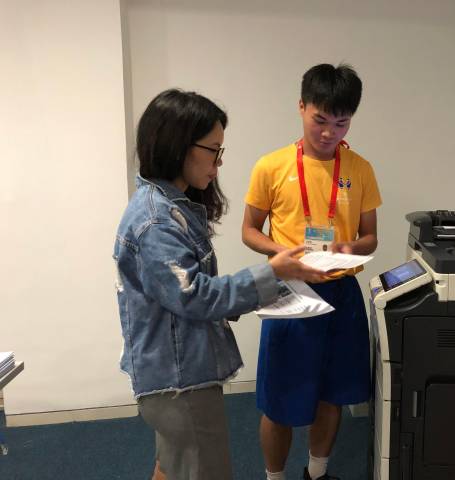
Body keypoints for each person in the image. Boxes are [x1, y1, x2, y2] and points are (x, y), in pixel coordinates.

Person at [113, 88, 327, 480]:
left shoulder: (168, 206)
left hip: (172, 372)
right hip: (180, 381)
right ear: (178, 146)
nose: (219, 162)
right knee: (201, 468)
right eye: (213, 150)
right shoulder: (157, 221)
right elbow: (194, 295)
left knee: (173, 466)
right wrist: (273, 273)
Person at [242, 64, 382, 480]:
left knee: (333, 393)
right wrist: (282, 252)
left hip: (341, 293)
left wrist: (349, 248)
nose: (328, 133)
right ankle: (275, 477)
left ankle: (317, 473)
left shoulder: (360, 168)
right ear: (301, 106)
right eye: (320, 120)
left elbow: (370, 238)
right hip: (290, 290)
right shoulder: (271, 166)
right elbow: (249, 230)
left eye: (341, 123)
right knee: (279, 400)